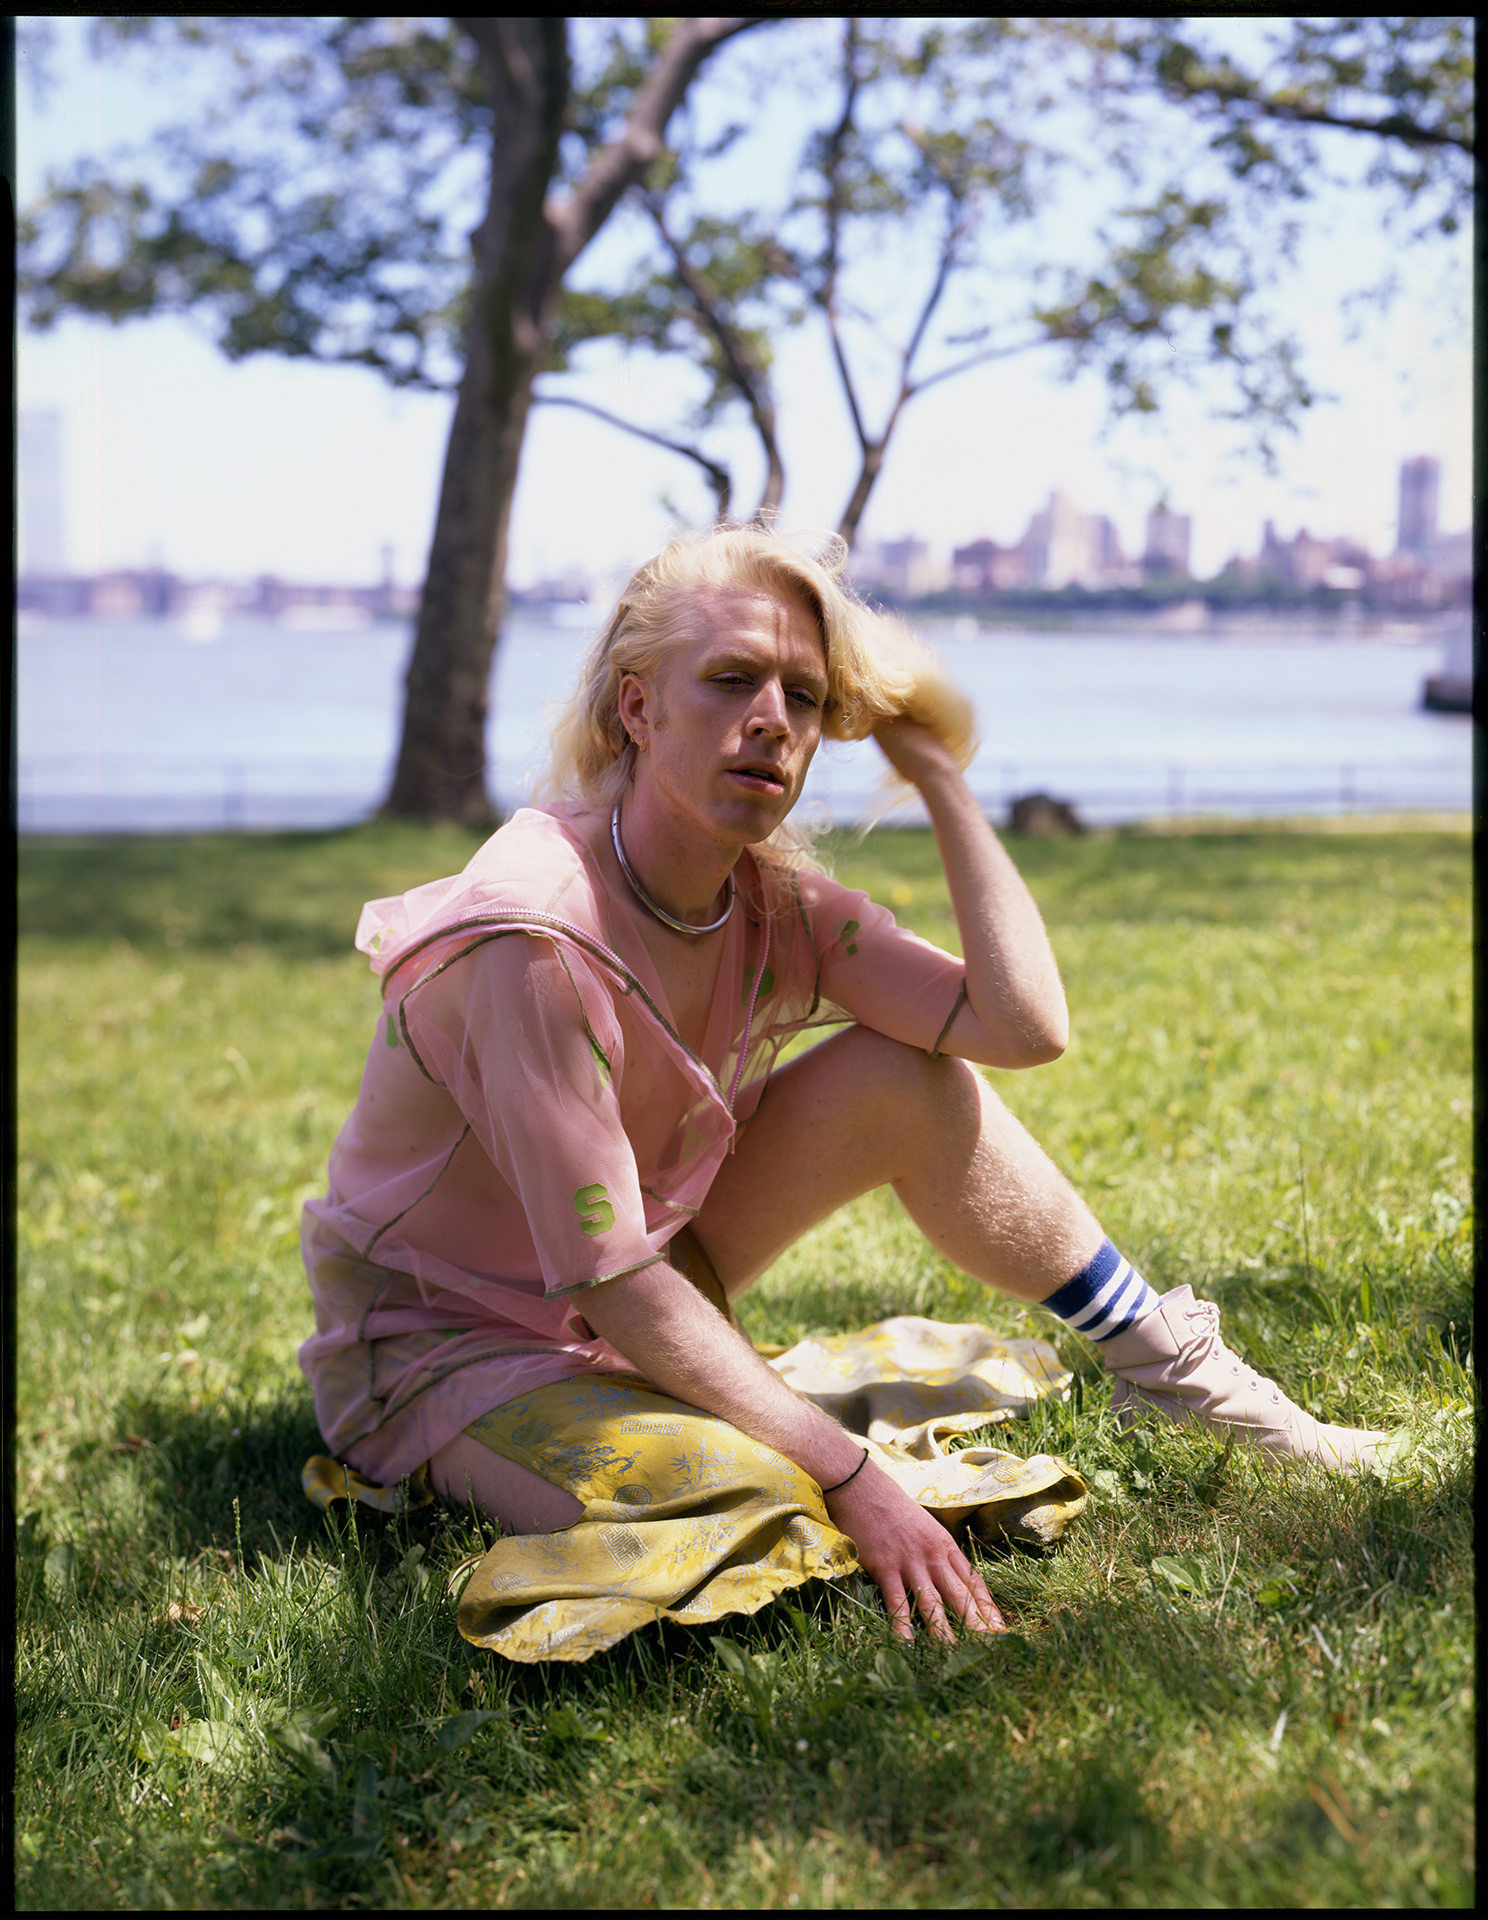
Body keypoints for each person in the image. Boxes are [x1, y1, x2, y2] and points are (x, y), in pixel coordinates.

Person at [298, 526, 1387, 1652]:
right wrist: (854, 1470)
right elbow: (612, 1277)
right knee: (766, 1500)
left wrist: (938, 780)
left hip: (640, 1281)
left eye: (805, 698)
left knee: (904, 1076)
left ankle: (1171, 1369)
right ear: (637, 708)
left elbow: (1021, 1028)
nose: (772, 718)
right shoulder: (532, 932)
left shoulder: (772, 905)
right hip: (447, 1345)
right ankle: (726, 1441)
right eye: (729, 681)